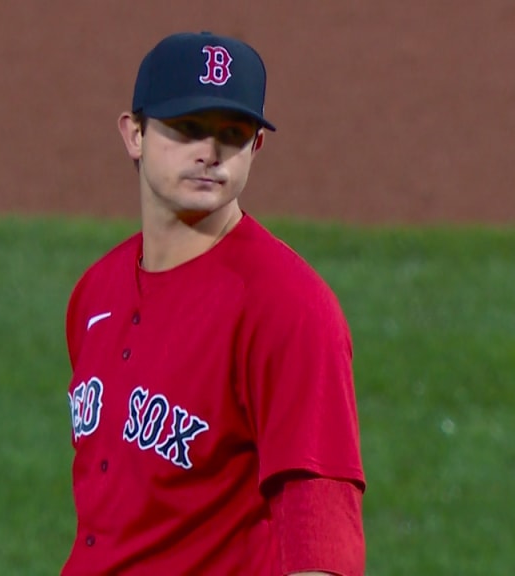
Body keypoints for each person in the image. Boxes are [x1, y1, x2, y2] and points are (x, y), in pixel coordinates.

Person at [62, 30, 366, 575]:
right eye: (187, 129)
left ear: (256, 146)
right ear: (134, 134)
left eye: (233, 132)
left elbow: (319, 518)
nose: (210, 152)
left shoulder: (287, 307)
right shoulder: (96, 293)